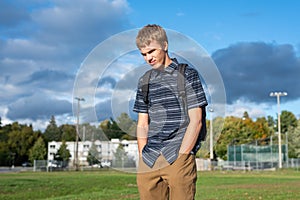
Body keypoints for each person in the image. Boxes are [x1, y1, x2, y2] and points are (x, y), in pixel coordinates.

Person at [133, 24, 208, 200]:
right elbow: (142, 123)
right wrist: (143, 155)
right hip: (150, 159)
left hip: (177, 156)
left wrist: (183, 155)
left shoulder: (187, 75)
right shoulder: (145, 81)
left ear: (165, 46)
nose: (148, 58)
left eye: (152, 51)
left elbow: (196, 120)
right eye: (144, 54)